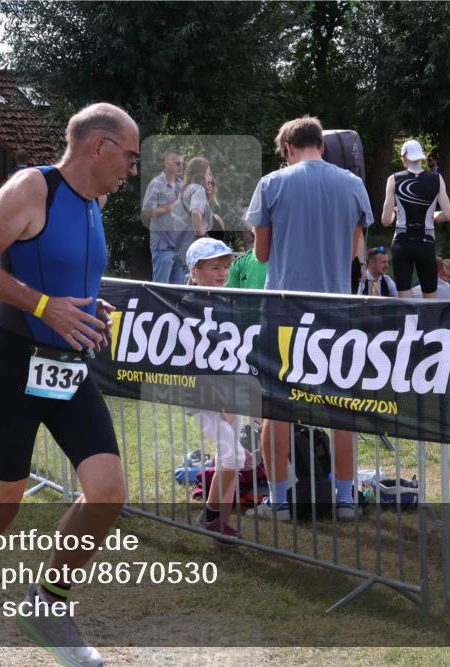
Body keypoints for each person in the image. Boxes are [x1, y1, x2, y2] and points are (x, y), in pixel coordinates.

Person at [0, 103, 138, 667]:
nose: (132, 167)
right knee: (1, 505)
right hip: (19, 360)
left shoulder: (97, 200)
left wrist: (92, 311)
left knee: (109, 492)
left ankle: (46, 604)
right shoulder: (32, 188)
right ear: (99, 146)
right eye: (130, 154)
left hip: (69, 365)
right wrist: (47, 307)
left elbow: (71, 274)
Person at [247, 115, 373, 521]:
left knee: (276, 406)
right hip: (336, 308)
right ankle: (345, 498)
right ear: (321, 144)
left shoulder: (272, 183)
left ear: (287, 149)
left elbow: (262, 255)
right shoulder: (353, 185)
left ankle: (280, 499)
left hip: (283, 309)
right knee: (342, 405)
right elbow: (355, 251)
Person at [184, 237, 254, 549]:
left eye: (225, 266)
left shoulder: (227, 300)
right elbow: (193, 359)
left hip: (231, 391)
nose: (223, 272)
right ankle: (210, 517)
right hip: (202, 397)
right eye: (214, 267)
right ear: (195, 271)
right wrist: (218, 398)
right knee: (233, 455)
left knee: (231, 458)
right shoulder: (185, 305)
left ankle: (220, 525)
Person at [380, 139, 450, 298]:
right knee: (430, 297)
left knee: (404, 298)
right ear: (420, 158)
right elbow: (447, 214)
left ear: (404, 157)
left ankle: (407, 323)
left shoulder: (394, 179)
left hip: (402, 242)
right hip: (425, 242)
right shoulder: (437, 179)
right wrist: (431, 216)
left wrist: (395, 213)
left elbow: (386, 220)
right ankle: (429, 323)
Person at [141, 149, 186, 284]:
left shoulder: (182, 185)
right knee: (161, 289)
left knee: (178, 292)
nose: (181, 166)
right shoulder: (156, 184)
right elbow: (147, 211)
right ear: (166, 163)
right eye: (177, 163)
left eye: (182, 163)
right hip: (163, 245)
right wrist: (170, 207)